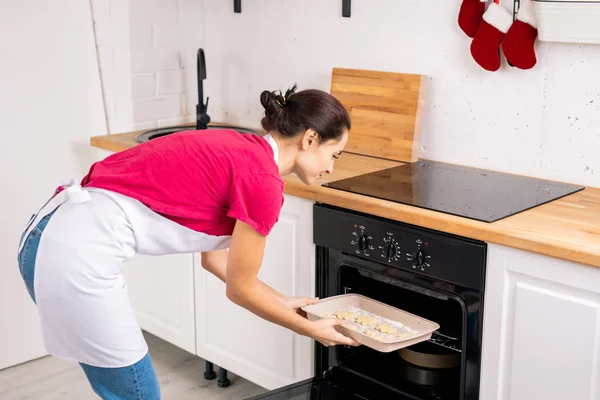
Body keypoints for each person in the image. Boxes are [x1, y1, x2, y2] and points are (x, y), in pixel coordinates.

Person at [16, 84, 359, 399]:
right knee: (139, 393)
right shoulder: (263, 182)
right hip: (75, 256)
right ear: (310, 139)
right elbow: (240, 289)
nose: (331, 169)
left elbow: (214, 261)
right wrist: (309, 330)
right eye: (335, 155)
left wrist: (282, 301)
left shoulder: (243, 149)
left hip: (49, 233)